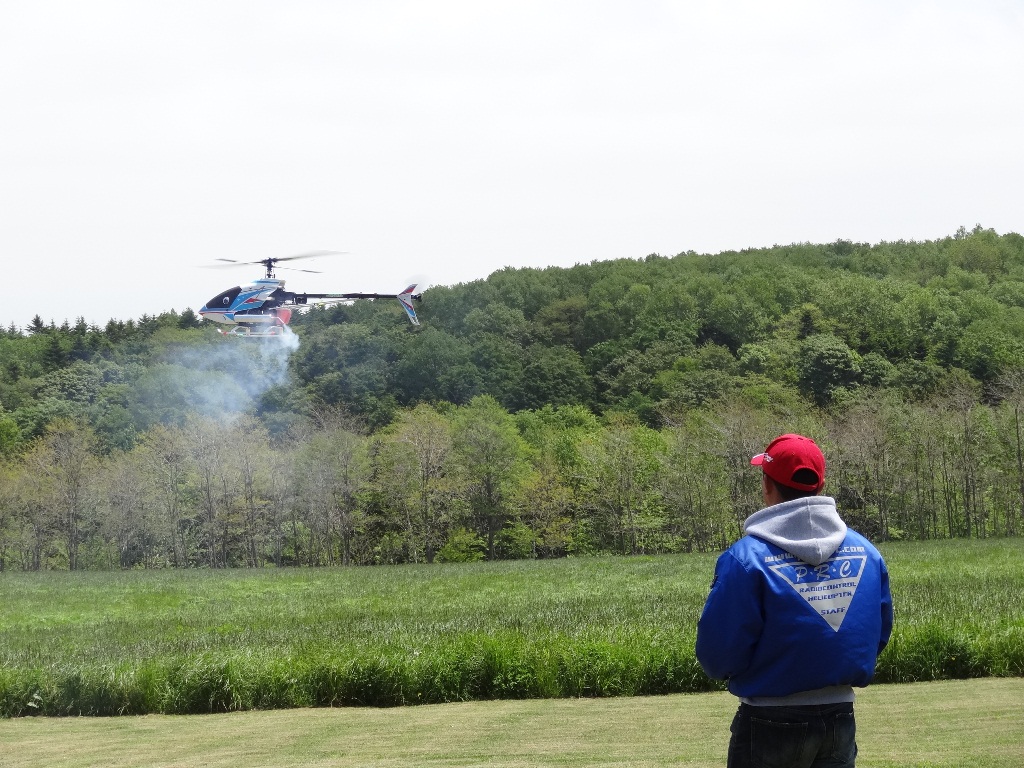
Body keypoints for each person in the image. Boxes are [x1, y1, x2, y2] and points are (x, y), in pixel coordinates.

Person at [696, 433, 894, 768]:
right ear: (821, 486)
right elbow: (878, 633)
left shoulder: (746, 559)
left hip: (767, 721)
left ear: (766, 485)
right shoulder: (867, 553)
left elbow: (718, 653)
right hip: (840, 720)